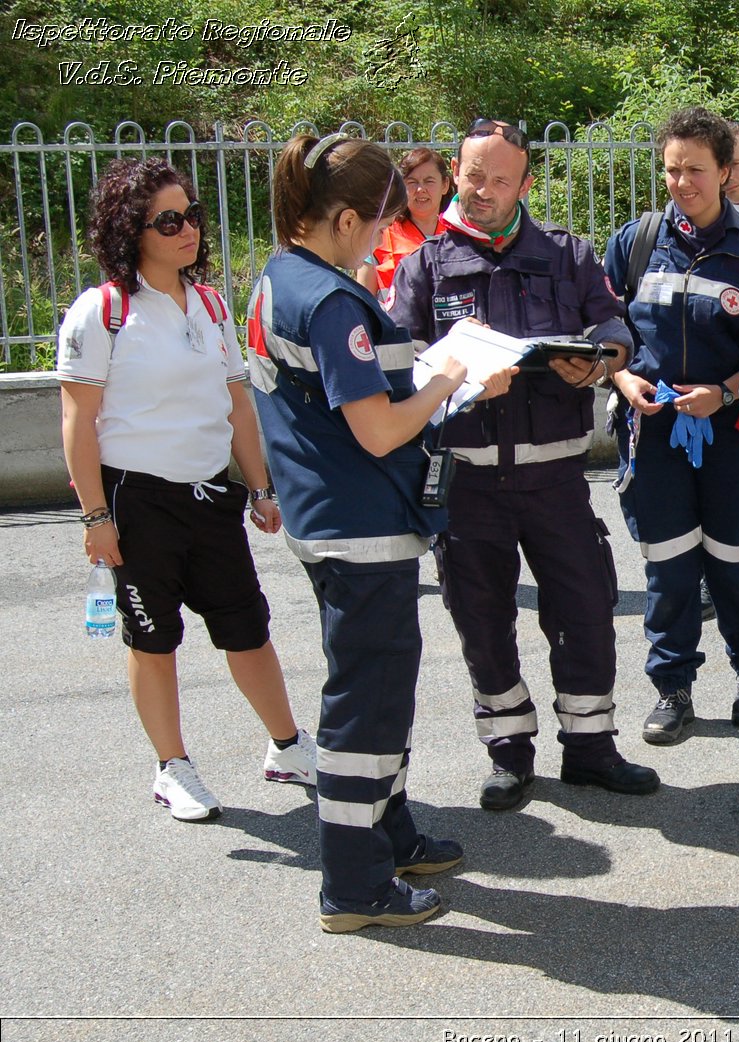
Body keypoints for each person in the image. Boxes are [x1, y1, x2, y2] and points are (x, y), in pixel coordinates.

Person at [247, 132, 515, 931]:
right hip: (360, 529)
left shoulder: (283, 278)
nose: (379, 239)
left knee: (378, 694)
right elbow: (375, 430)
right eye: (373, 225)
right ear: (342, 219)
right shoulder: (330, 301)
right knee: (366, 708)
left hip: (333, 522)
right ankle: (354, 885)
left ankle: (388, 834)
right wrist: (446, 380)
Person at [388, 118, 658, 810]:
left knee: (586, 610)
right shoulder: (424, 264)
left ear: (525, 184)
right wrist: (460, 380)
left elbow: (614, 330)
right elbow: (399, 369)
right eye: (473, 175)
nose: (482, 190)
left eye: (498, 179)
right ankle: (509, 752)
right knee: (480, 618)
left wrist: (598, 363)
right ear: (456, 171)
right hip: (470, 480)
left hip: (557, 479)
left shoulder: (568, 255)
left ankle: (592, 748)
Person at [57, 157, 316, 823]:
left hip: (209, 498)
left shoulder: (208, 304)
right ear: (130, 230)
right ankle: (172, 767)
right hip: (136, 502)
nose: (186, 229)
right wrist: (94, 515)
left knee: (247, 628)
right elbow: (78, 422)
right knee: (154, 639)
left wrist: (262, 489)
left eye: (191, 216)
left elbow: (237, 406)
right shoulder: (103, 312)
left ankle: (287, 746)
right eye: (167, 220)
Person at [603, 108, 739, 745]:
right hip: (653, 435)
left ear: (727, 172)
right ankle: (672, 688)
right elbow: (607, 330)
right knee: (668, 567)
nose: (681, 182)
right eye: (672, 169)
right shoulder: (638, 242)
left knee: (735, 560)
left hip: (731, 435)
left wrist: (725, 393)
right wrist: (621, 378)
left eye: (695, 170)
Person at [355, 147, 451, 306]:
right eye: (412, 182)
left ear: (445, 185)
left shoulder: (458, 233)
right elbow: (362, 301)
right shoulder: (380, 235)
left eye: (429, 181)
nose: (420, 190)